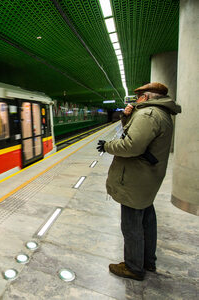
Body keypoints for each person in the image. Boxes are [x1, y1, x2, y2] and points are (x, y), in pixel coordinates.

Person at [97, 82, 181, 281]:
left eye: (139, 97)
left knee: (131, 226)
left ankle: (134, 267)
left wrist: (107, 146)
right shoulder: (160, 114)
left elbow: (131, 145)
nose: (137, 100)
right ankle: (148, 261)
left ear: (148, 97)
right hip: (147, 178)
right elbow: (137, 135)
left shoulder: (148, 114)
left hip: (135, 179)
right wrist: (126, 117)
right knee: (147, 221)